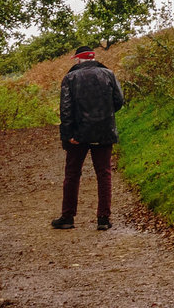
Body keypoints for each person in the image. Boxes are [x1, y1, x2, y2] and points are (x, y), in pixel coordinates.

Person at [51, 46, 125, 231]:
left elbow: (65, 110)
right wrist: (104, 115)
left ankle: (68, 217)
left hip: (78, 134)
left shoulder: (70, 78)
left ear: (78, 60)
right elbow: (119, 101)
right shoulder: (109, 74)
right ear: (93, 58)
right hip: (104, 131)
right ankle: (103, 219)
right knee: (104, 174)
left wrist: (68, 135)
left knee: (72, 174)